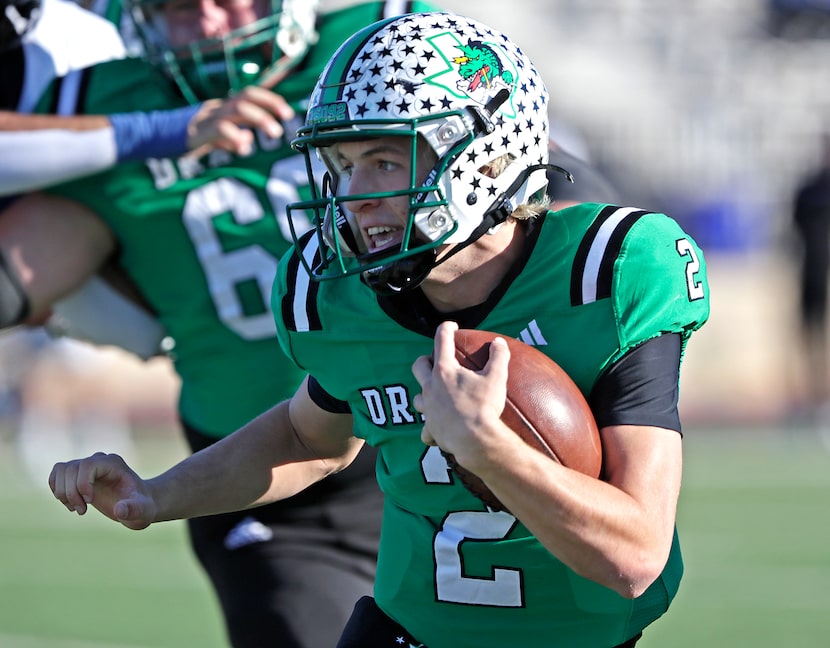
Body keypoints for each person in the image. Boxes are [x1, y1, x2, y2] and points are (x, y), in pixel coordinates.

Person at [49, 12, 710, 648]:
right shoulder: (330, 288)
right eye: (341, 166)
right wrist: (154, 495)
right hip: (407, 631)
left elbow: (634, 557)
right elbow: (307, 436)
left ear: (485, 157)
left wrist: (489, 450)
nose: (355, 194)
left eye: (385, 162)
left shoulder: (609, 272)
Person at [3, 2, 446, 646]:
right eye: (178, 8)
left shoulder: (381, 44)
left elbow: (553, 213)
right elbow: (18, 274)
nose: (208, 24)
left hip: (440, 444)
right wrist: (153, 132)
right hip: (269, 482)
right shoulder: (105, 100)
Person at [792, 133, 830, 418]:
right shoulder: (809, 188)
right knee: (811, 333)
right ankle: (817, 396)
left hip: (817, 269)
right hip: (813, 271)